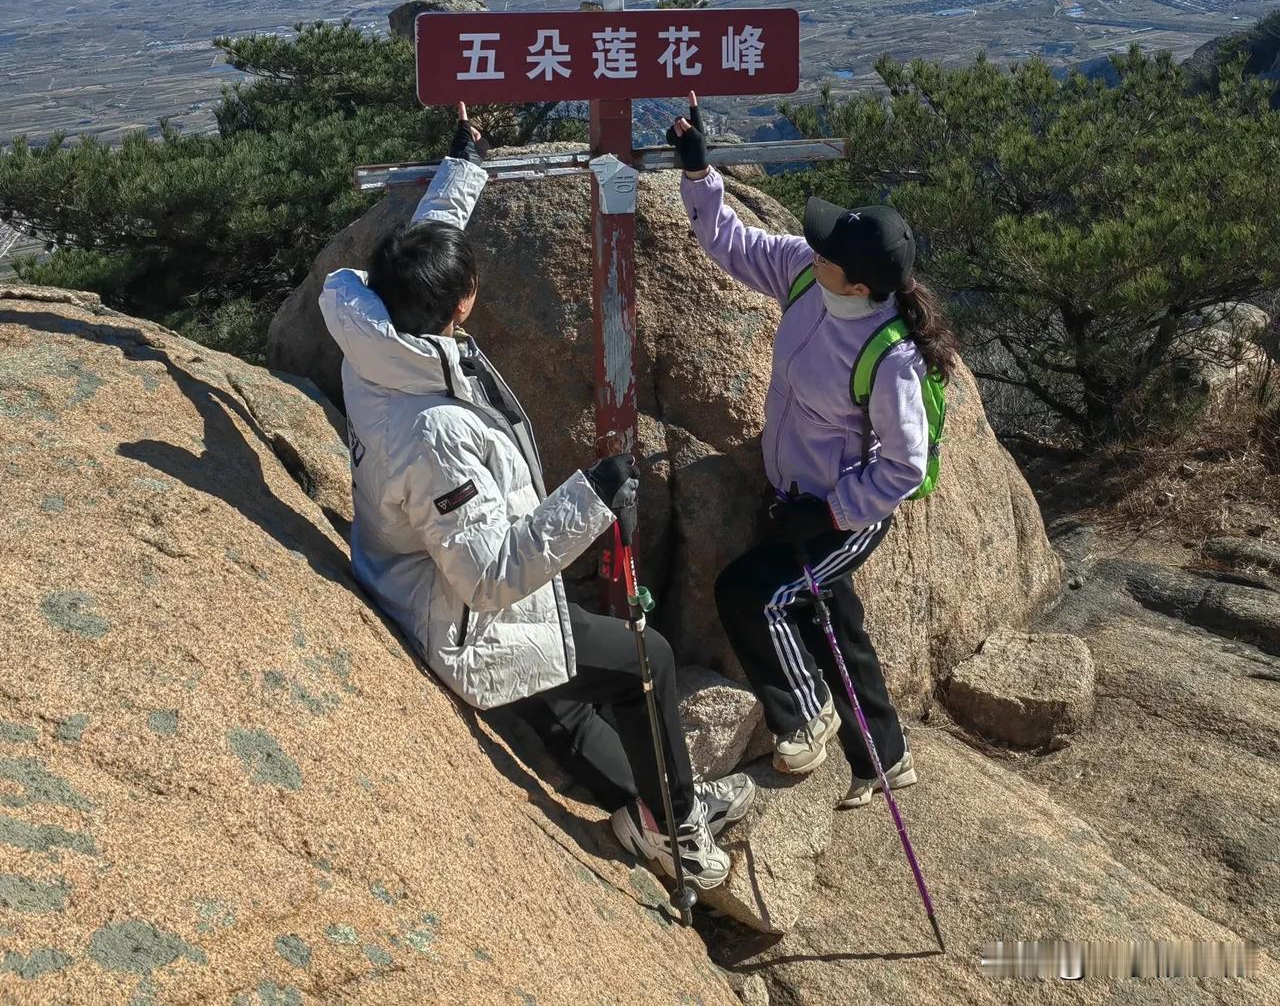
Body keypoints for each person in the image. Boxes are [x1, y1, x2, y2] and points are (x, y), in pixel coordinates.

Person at [318, 104, 754, 890]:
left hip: (412, 567)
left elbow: (423, 249)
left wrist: (464, 165)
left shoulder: (375, 332)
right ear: (459, 309)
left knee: (575, 697)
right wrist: (595, 493)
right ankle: (680, 831)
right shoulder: (433, 432)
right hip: (458, 609)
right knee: (646, 660)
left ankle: (652, 808)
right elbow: (486, 580)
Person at [667, 93, 958, 810]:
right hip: (798, 497)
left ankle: (805, 715)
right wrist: (700, 174)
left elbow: (903, 467)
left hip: (844, 516)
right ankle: (885, 759)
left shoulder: (890, 359)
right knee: (834, 620)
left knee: (754, 594)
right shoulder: (806, 273)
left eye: (829, 249)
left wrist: (831, 515)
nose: (812, 243)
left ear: (860, 284)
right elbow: (732, 245)